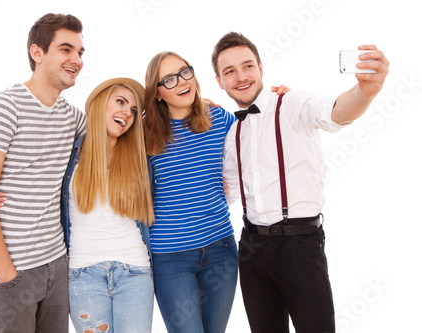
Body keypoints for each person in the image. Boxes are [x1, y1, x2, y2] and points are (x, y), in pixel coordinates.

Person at [211, 32, 389, 332]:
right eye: (229, 71)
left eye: (247, 66)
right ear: (220, 81)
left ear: (261, 68)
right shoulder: (232, 134)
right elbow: (224, 192)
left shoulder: (294, 103)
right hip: (251, 250)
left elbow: (335, 111)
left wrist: (366, 91)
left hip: (299, 246)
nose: (241, 77)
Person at [0, 13, 86, 333]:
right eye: (65, 49)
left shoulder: (72, 117)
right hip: (12, 271)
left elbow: (116, 131)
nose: (76, 59)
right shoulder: (4, 108)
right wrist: (7, 274)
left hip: (56, 264)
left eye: (80, 52)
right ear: (38, 53)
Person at [143, 51, 238, 333]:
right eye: (169, 80)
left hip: (221, 249)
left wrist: (279, 98)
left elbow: (258, 142)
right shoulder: (145, 134)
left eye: (185, 72)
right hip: (171, 256)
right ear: (157, 93)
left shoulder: (219, 119)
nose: (182, 82)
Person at [61, 78, 155, 333]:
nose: (127, 112)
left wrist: (201, 103)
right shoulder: (69, 151)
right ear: (101, 102)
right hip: (82, 274)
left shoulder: (139, 156)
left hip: (134, 271)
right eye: (121, 102)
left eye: (134, 111)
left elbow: (173, 124)